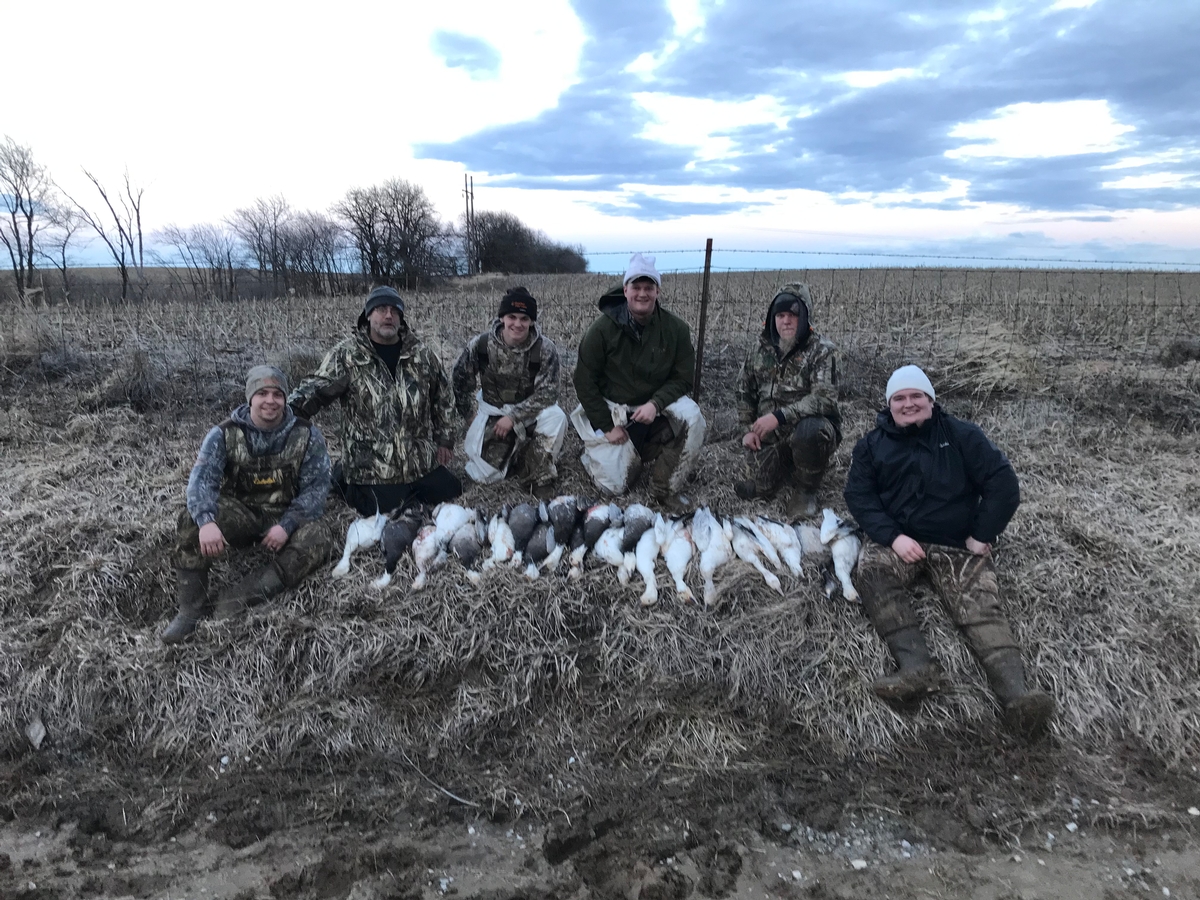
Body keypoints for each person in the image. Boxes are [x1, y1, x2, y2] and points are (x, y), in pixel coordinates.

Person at [844, 365, 1055, 738]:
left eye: (916, 396)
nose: (909, 404)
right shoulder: (871, 446)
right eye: (900, 398)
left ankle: (1018, 697)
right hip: (900, 542)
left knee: (980, 607)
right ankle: (917, 667)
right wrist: (893, 538)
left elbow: (1002, 483)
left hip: (956, 544)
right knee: (872, 574)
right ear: (889, 404)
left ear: (930, 400)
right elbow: (859, 498)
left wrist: (981, 533)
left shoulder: (962, 436)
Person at [162, 365, 332, 644]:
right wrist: (206, 522)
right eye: (262, 393)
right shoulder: (222, 434)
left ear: (285, 398)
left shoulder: (307, 435)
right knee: (189, 521)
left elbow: (316, 490)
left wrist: (287, 526)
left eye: (277, 394)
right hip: (241, 513)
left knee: (319, 538)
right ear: (250, 398)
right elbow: (200, 483)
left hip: (283, 515)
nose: (270, 400)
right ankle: (190, 610)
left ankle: (239, 597)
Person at [289, 285, 461, 516]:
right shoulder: (348, 355)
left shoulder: (420, 354)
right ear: (368, 315)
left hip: (418, 459)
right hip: (371, 464)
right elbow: (315, 390)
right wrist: (281, 414)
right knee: (392, 509)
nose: (388, 315)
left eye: (394, 310)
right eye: (381, 309)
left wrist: (445, 440)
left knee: (452, 491)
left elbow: (443, 396)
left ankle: (404, 486)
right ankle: (345, 478)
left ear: (401, 318)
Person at [571, 253, 706, 512]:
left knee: (693, 416)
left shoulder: (676, 329)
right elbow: (584, 381)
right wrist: (607, 426)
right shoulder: (601, 330)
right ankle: (593, 455)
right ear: (625, 290)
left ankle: (664, 488)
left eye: (649, 287)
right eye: (636, 287)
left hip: (653, 409)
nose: (642, 294)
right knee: (613, 488)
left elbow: (683, 378)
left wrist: (656, 403)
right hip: (615, 411)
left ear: (657, 291)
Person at [734, 282, 841, 518]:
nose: (786, 321)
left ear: (805, 317)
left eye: (793, 315)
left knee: (811, 431)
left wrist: (779, 416)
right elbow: (744, 392)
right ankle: (781, 466)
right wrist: (747, 429)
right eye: (780, 315)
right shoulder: (759, 349)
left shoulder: (823, 351)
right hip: (768, 435)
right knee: (758, 489)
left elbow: (825, 399)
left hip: (805, 430)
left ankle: (806, 490)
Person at [451, 286, 567, 500]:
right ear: (502, 318)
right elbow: (459, 382)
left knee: (556, 417)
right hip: (493, 412)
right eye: (512, 317)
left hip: (530, 413)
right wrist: (469, 415)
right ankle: (515, 455)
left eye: (524, 318)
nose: (518, 324)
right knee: (486, 476)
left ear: (532, 321)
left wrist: (512, 418)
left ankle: (538, 474)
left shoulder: (545, 349)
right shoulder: (482, 345)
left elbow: (548, 393)